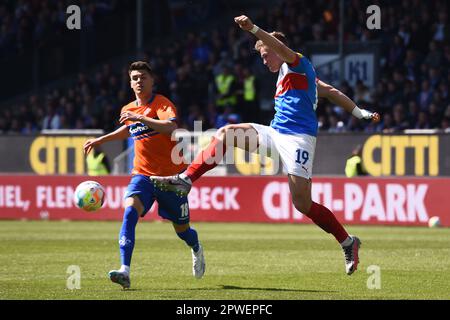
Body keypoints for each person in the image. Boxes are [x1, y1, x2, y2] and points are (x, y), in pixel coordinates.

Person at [152, 15, 380, 275]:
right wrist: (358, 111)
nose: (264, 59)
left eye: (265, 54)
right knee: (227, 133)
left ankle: (348, 242)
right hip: (274, 133)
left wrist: (254, 30)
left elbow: (287, 53)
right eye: (261, 55)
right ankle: (186, 179)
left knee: (303, 204)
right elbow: (331, 91)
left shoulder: (298, 63)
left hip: (298, 140)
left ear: (276, 48)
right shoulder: (292, 75)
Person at [83, 61, 205, 289]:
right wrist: (101, 139)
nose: (139, 81)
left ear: (152, 81)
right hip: (142, 175)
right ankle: (125, 270)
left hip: (170, 178)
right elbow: (127, 129)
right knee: (129, 212)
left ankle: (196, 246)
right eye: (135, 78)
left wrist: (141, 118)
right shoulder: (128, 109)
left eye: (143, 77)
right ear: (130, 83)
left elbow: (170, 127)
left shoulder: (161, 103)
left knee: (182, 231)